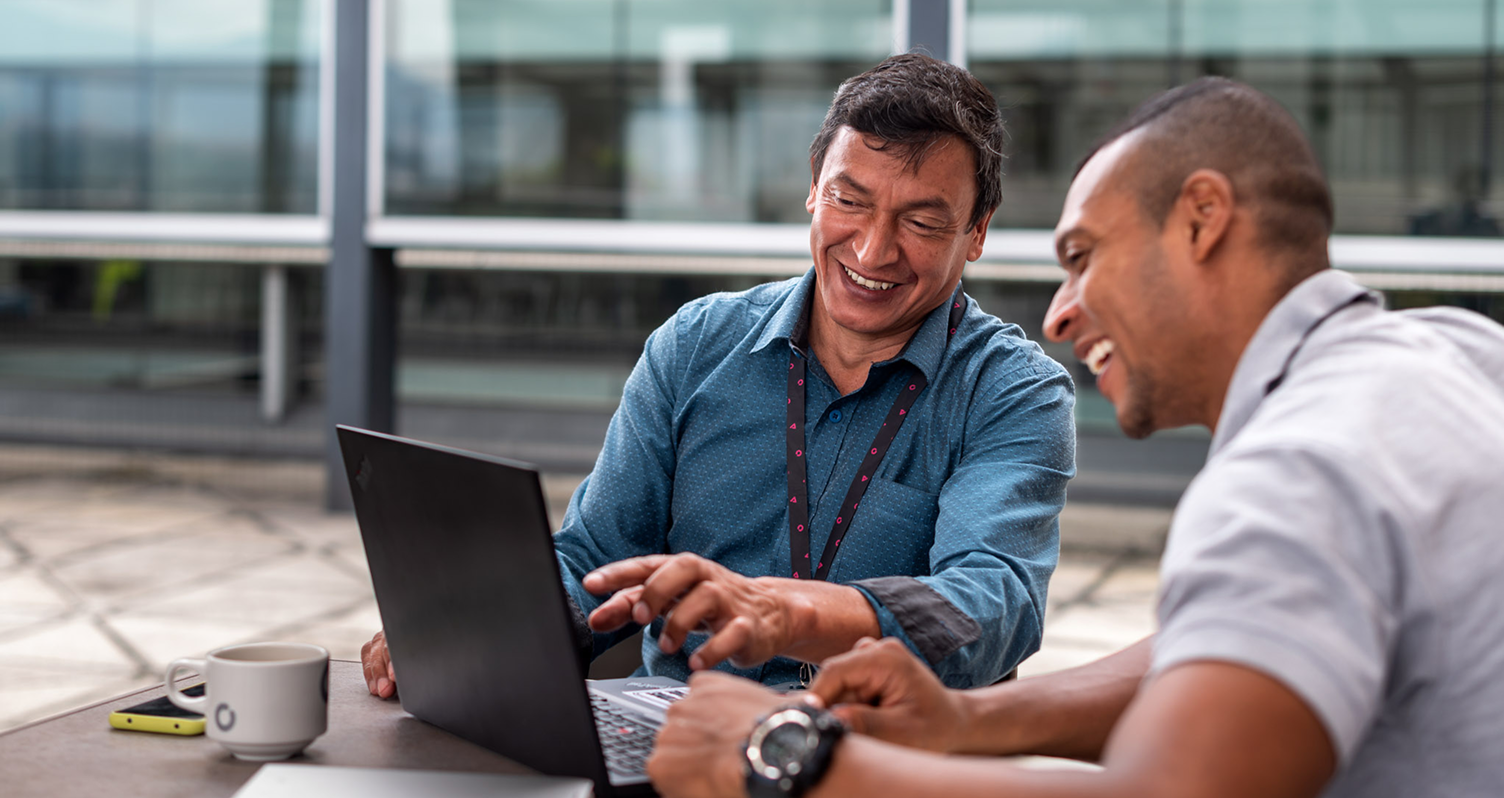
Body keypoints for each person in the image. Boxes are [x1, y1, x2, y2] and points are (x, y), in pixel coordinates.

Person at [645, 77, 1504, 798]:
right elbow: (1227, 638)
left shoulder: (1296, 471)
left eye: (1084, 254)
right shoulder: (1457, 355)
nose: (1060, 313)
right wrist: (970, 719)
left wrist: (795, 761)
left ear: (1203, 218)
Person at [361, 53, 1076, 696]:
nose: (872, 247)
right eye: (848, 201)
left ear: (977, 231)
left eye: (922, 222)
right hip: (671, 731)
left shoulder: (1013, 392)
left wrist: (782, 613)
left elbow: (991, 603)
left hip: (870, 756)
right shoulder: (696, 344)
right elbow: (598, 554)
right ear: (812, 190)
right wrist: (469, 620)